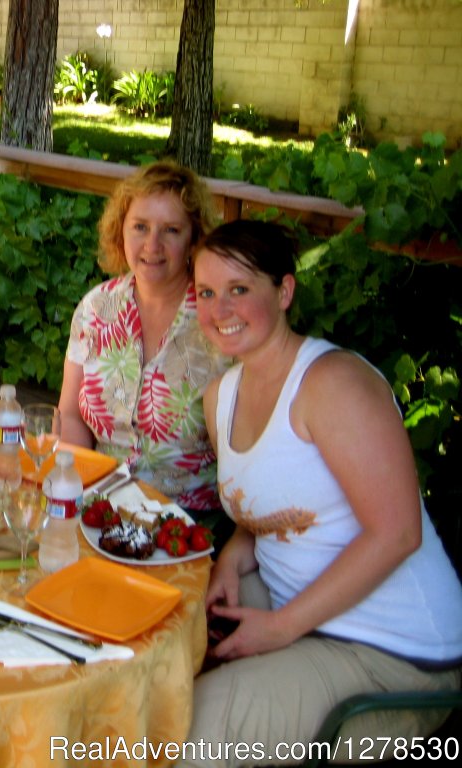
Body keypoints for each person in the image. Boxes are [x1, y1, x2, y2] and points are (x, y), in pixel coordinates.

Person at [182, 219, 462, 766]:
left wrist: (280, 629)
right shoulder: (222, 396)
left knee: (194, 728)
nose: (220, 309)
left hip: (397, 654)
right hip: (304, 611)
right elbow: (264, 503)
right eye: (207, 293)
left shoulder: (333, 384)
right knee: (176, 640)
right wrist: (231, 564)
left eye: (240, 289)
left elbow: (398, 533)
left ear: (283, 291)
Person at [59, 160, 229, 514]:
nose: (152, 244)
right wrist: (74, 485)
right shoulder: (95, 308)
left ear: (194, 239)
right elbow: (71, 415)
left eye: (170, 230)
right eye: (140, 227)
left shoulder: (219, 321)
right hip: (98, 504)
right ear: (121, 231)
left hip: (186, 521)